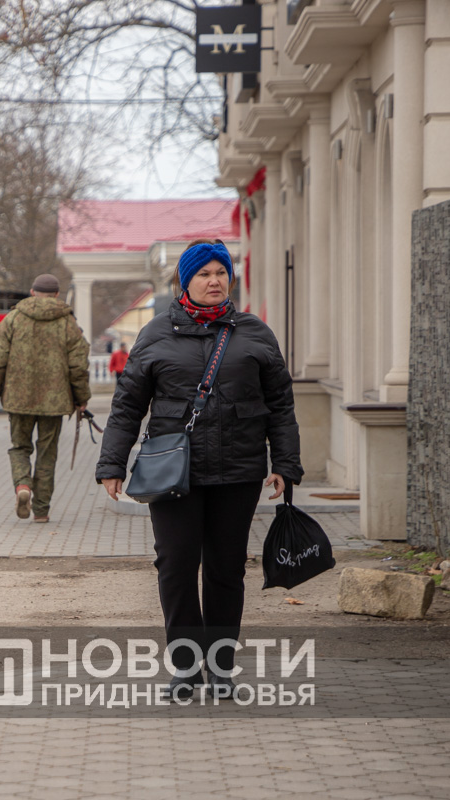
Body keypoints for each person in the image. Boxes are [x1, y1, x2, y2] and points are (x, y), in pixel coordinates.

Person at [94, 239, 302, 699]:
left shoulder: (255, 333)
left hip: (238, 471)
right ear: (185, 281)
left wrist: (286, 463)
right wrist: (112, 463)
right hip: (173, 474)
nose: (214, 281)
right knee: (176, 567)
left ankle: (221, 669)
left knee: (227, 570)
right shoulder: (155, 334)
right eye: (204, 274)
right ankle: (186, 668)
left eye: (220, 272)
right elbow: (127, 405)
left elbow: (280, 405)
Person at [0, 273, 91, 524]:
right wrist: (81, 397)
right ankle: (41, 510)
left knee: (20, 447)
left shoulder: (13, 319)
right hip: (55, 401)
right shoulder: (68, 322)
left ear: (32, 292)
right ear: (57, 295)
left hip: (18, 398)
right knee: (47, 453)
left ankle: (23, 485)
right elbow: (78, 365)